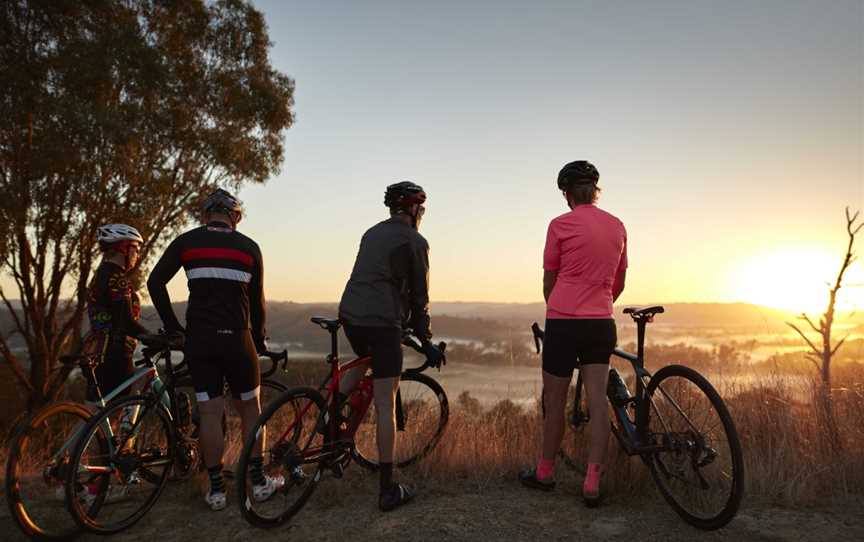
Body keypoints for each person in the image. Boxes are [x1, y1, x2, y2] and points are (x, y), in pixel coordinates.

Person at [147, 189, 281, 511]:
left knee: (209, 412)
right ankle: (259, 482)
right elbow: (257, 301)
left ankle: (217, 491)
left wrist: (174, 327)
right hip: (238, 339)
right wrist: (259, 339)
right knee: (250, 409)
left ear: (206, 215)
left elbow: (155, 282)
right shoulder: (249, 248)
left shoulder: (187, 242)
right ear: (235, 217)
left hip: (200, 340)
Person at [520, 161, 627, 507]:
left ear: (567, 193)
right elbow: (618, 281)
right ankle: (592, 482)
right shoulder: (617, 226)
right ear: (596, 190)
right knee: (598, 402)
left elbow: (549, 280)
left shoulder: (559, 225)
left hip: (564, 321)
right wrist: (599, 303)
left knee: (555, 403)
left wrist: (560, 308)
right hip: (600, 322)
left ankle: (545, 472)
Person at [338, 181, 445, 512]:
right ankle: (387, 489)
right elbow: (420, 297)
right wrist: (426, 341)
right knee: (385, 402)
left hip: (351, 315)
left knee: (362, 362)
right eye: (422, 209)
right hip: (382, 321)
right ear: (414, 210)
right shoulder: (416, 241)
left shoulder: (371, 232)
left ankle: (332, 431)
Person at [83, 224, 151, 408]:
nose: (137, 255)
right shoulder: (118, 279)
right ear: (124, 248)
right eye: (136, 248)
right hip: (116, 354)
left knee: (94, 415)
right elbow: (125, 322)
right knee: (113, 415)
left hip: (97, 351)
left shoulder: (100, 274)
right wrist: (153, 338)